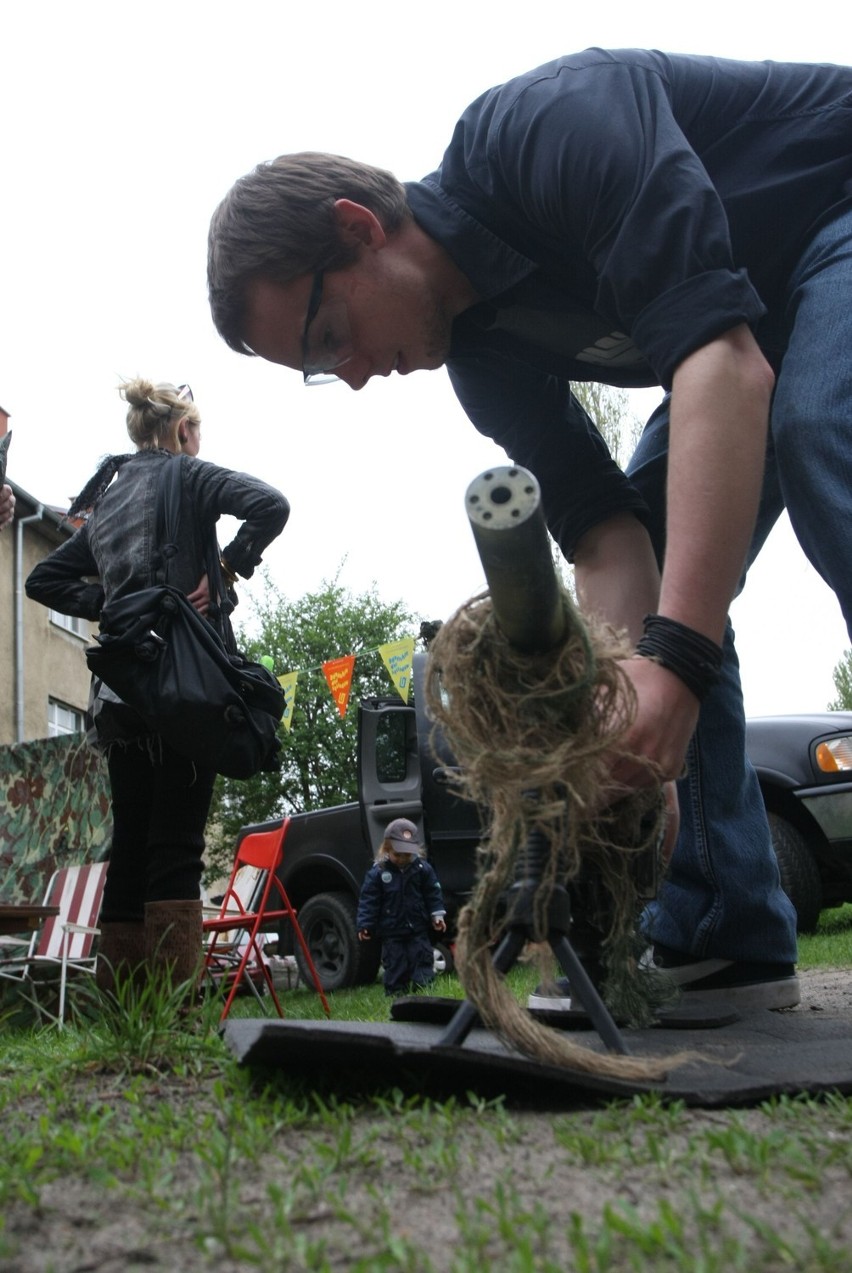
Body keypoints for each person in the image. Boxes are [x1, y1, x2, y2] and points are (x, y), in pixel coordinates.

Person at [206, 50, 852, 1012]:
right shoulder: (485, 362)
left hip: (829, 222)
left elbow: (721, 364)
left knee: (826, 424)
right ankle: (722, 929)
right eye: (314, 367)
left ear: (357, 228)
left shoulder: (550, 129)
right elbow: (606, 537)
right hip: (759, 319)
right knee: (682, 560)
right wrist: (618, 726)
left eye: (323, 335)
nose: (343, 374)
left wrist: (673, 667)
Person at [26, 379, 289, 997]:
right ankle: (170, 1011)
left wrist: (115, 604)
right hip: (186, 693)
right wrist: (228, 564)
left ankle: (125, 1011)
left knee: (131, 850)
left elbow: (44, 581)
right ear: (181, 432)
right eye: (197, 434)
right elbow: (271, 504)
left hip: (120, 702)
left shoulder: (108, 502)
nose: (199, 445)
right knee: (177, 845)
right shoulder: (188, 476)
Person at [356, 817, 447, 997]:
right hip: (391, 931)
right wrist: (365, 924)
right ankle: (396, 993)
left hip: (418, 928)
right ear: (386, 849)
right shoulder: (378, 873)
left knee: (422, 958)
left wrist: (437, 915)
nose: (402, 859)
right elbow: (369, 900)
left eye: (407, 855)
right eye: (398, 855)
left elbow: (432, 893)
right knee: (395, 963)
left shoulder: (422, 869)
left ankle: (425, 990)